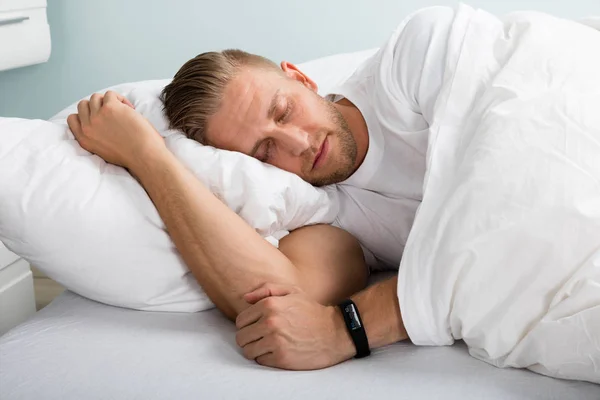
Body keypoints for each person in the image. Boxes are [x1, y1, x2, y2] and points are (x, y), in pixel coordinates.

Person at [67, 6, 454, 370]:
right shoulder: (331, 216)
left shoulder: (409, 64)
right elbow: (276, 301)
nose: (299, 143)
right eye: (266, 152)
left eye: (284, 111)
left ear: (301, 78)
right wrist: (148, 157)